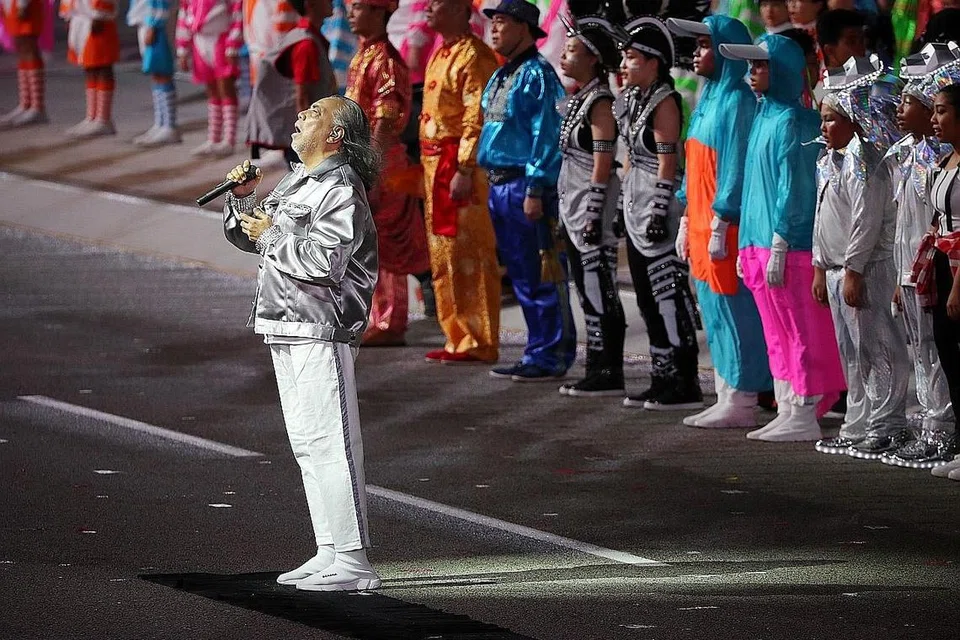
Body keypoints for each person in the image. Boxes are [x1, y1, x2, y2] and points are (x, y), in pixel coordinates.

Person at [222, 95, 383, 589]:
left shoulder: (340, 188)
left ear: (336, 135)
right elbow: (252, 237)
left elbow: (324, 264)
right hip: (284, 321)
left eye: (315, 113)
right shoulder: (298, 179)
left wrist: (273, 234)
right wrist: (243, 200)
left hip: (321, 324)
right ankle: (329, 549)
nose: (300, 117)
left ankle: (355, 563)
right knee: (308, 445)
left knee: (333, 441)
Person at [720, 34, 846, 442]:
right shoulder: (764, 116)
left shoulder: (795, 121)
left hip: (787, 247)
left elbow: (795, 189)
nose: (753, 73)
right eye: (753, 66)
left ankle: (805, 408)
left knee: (799, 330)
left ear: (784, 71)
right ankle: (788, 403)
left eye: (761, 65)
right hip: (759, 243)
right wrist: (745, 244)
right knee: (776, 332)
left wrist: (781, 240)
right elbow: (755, 188)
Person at [667, 14, 773, 427]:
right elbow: (694, 165)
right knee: (712, 310)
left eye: (704, 45)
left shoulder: (738, 102)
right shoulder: (708, 99)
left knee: (734, 310)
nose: (696, 53)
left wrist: (721, 220)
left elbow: (735, 169)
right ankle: (726, 390)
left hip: (722, 226)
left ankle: (744, 396)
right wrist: (684, 217)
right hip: (698, 222)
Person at [811, 56, 910, 458]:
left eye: (832, 118)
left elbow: (865, 222)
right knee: (851, 352)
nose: (824, 127)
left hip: (866, 270)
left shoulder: (865, 163)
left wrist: (853, 270)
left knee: (879, 347)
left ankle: (888, 423)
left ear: (855, 118)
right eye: (822, 119)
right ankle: (859, 421)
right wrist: (821, 266)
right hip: (836, 270)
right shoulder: (827, 160)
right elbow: (823, 217)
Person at [478, 0, 576, 382]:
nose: (495, 29)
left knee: (541, 271)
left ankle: (550, 353)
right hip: (500, 183)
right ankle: (537, 349)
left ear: (524, 28)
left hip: (524, 184)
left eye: (502, 22)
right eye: (494, 22)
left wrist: (536, 186)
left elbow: (547, 135)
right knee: (520, 272)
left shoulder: (538, 74)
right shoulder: (502, 75)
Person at [614, 10, 702, 410]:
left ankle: (683, 380)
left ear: (654, 62)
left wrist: (657, 211)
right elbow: (630, 156)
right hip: (636, 203)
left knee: (668, 295)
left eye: (632, 57)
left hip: (658, 209)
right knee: (646, 298)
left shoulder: (665, 101)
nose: (623, 64)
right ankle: (660, 372)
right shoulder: (633, 98)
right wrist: (622, 204)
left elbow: (668, 162)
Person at [882, 43, 956, 468]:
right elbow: (903, 225)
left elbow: (937, 222)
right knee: (923, 351)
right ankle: (932, 427)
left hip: (936, 269)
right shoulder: (907, 156)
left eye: (910, 100)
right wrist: (900, 274)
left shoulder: (938, 161)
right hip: (911, 268)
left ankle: (944, 430)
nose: (900, 108)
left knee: (939, 350)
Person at [419, 0, 501, 365]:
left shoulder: (474, 56)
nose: (426, 10)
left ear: (456, 9)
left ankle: (479, 338)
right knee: (443, 254)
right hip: (434, 164)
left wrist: (465, 169)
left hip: (456, 166)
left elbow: (476, 115)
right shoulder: (441, 52)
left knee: (470, 253)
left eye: (434, 4)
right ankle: (456, 335)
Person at [346, 0, 430, 346]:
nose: (351, 13)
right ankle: (377, 316)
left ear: (380, 12)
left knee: (385, 246)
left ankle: (391, 321)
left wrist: (371, 166)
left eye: (359, 7)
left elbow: (387, 120)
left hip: (383, 166)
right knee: (368, 243)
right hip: (366, 161)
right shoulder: (363, 55)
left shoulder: (386, 60)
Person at [555, 4, 626, 397]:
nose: (564, 57)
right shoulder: (581, 98)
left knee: (599, 287)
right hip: (574, 206)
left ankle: (607, 369)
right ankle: (596, 365)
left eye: (571, 51)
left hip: (590, 210)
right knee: (585, 287)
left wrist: (595, 210)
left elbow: (603, 161)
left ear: (594, 59)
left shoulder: (600, 102)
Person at [915, 81, 960, 482]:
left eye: (942, 110)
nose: (934, 119)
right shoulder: (944, 161)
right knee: (948, 351)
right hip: (944, 262)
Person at [247, 0, 336, 168]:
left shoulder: (311, 37)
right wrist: (311, 141)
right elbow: (302, 99)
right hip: (308, 137)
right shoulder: (306, 45)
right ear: (311, 5)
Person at [176, 0, 243, 156]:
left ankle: (229, 140)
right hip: (199, 40)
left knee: (226, 88)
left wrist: (233, 43)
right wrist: (182, 48)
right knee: (211, 90)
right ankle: (213, 138)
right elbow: (183, 14)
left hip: (221, 39)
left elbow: (237, 13)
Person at [60, 0, 120, 138]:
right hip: (81, 17)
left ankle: (103, 118)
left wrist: (100, 14)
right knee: (89, 66)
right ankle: (92, 116)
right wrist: (69, 13)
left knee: (102, 65)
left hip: (97, 17)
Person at [127, 0, 181, 147]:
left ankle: (169, 125)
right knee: (155, 73)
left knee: (162, 72)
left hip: (156, 24)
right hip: (146, 22)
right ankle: (160, 123)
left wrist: (154, 24)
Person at [0, 0, 47, 128]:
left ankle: (37, 107)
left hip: (26, 5)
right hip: (12, 4)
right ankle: (25, 104)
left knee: (29, 47)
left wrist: (23, 4)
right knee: (21, 50)